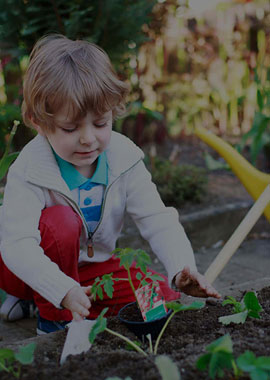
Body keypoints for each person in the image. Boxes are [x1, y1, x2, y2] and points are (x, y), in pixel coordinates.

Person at [0, 34, 220, 335]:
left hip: (91, 271)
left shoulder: (123, 158)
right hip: (25, 270)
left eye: (100, 123)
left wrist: (182, 268)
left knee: (159, 299)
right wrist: (61, 290)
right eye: (70, 127)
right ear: (38, 122)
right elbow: (17, 245)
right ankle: (50, 315)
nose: (88, 138)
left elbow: (157, 219)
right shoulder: (30, 169)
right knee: (61, 222)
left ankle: (62, 301)